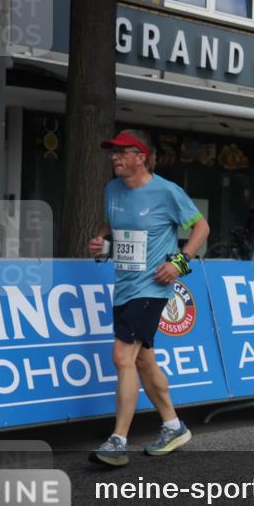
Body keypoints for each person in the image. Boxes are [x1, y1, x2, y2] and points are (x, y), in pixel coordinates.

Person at [87, 129, 210, 467]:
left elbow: (202, 228)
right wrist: (101, 242)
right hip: (123, 286)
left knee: (122, 356)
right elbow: (112, 227)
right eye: (112, 152)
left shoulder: (167, 191)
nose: (114, 157)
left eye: (121, 152)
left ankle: (117, 440)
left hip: (152, 287)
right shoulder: (112, 189)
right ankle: (173, 425)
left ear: (140, 157)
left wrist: (179, 262)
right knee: (143, 361)